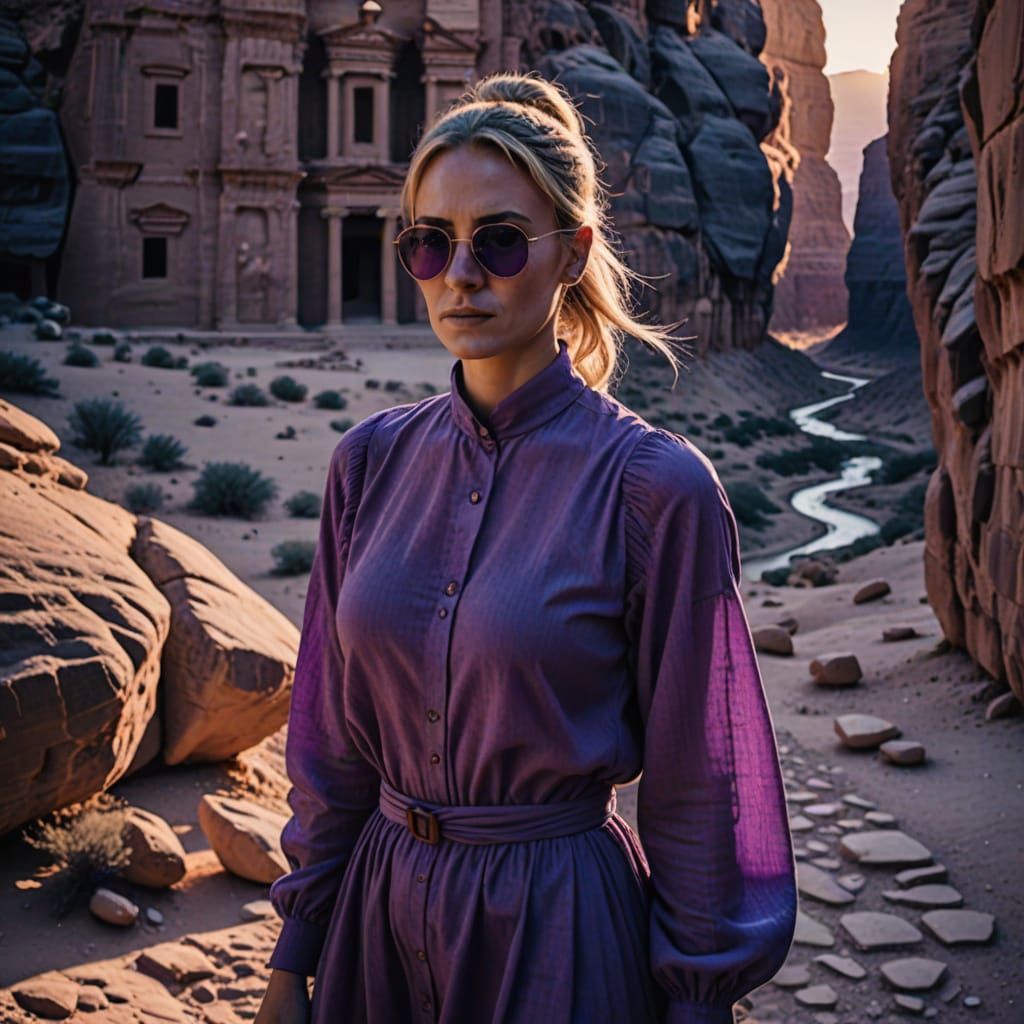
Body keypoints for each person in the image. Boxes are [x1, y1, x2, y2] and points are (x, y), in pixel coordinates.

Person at [255, 70, 797, 1024]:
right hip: (372, 925)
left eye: (499, 240)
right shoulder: (368, 464)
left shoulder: (657, 490)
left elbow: (700, 786)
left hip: (559, 932)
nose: (460, 274)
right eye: (429, 243)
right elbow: (331, 741)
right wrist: (291, 959)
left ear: (573, 251)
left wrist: (701, 999)